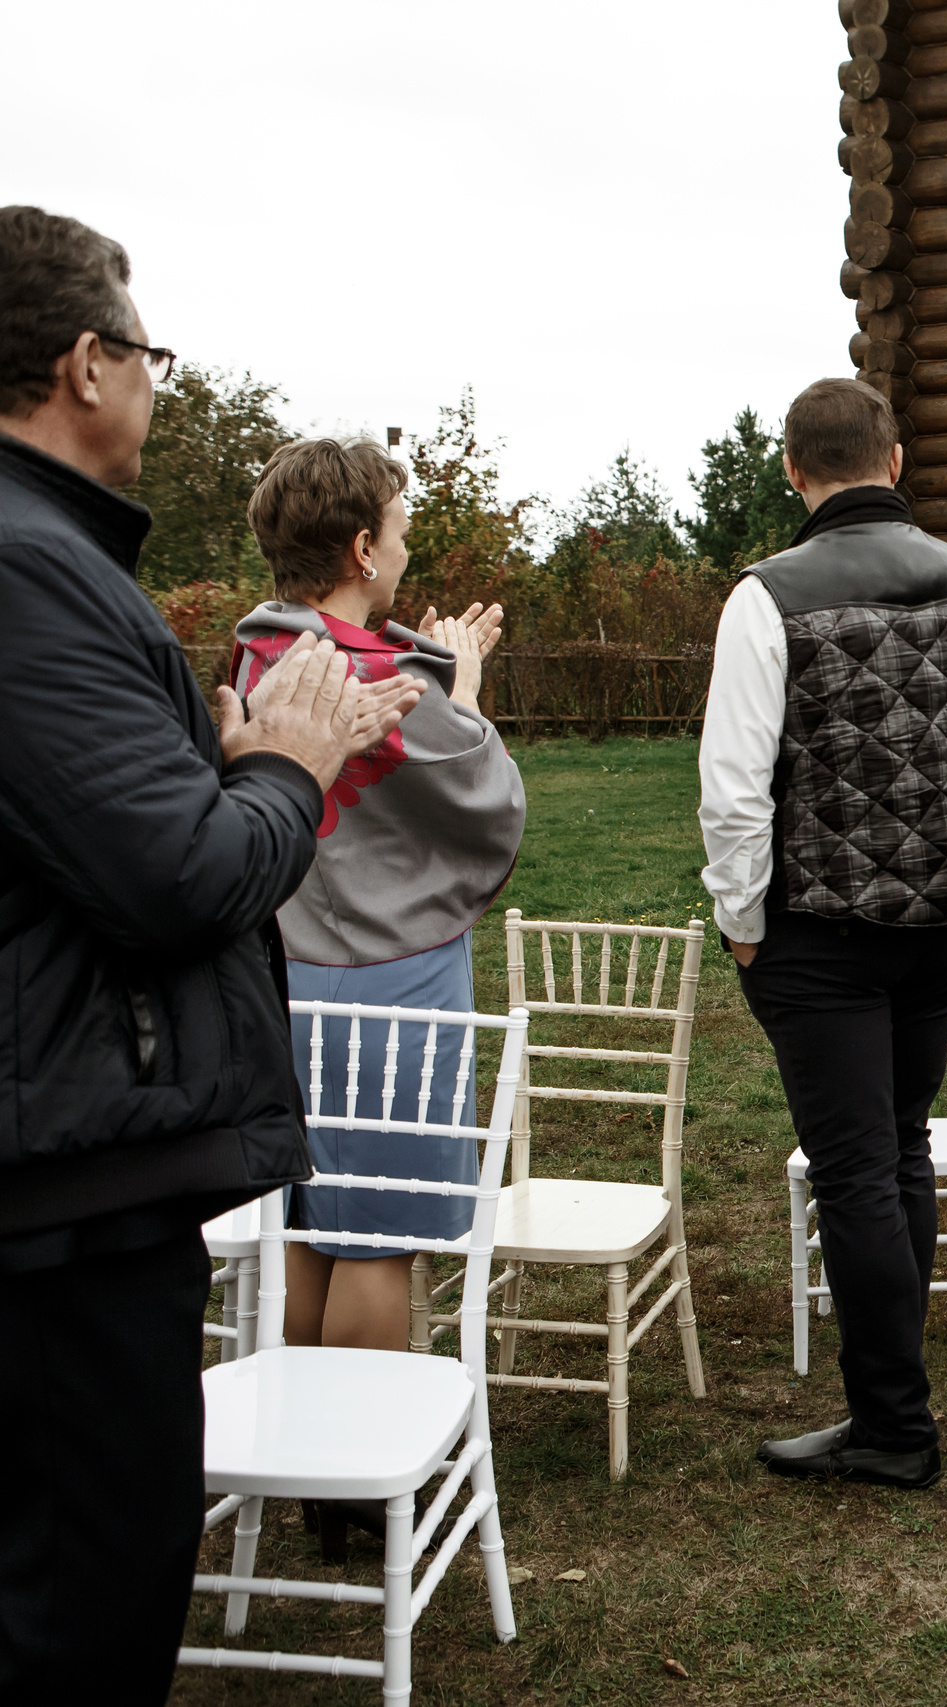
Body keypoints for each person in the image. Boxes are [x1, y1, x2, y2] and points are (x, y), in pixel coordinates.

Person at [0, 206, 415, 1702]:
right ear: (87, 363)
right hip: (63, 1192)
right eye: (150, 350)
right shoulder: (28, 568)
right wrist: (286, 766)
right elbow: (177, 878)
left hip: (60, 1143)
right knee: (84, 1604)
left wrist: (223, 770)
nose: (158, 382)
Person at [699, 377, 947, 1490]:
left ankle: (892, 1426)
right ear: (895, 461)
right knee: (899, 1146)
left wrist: (743, 924)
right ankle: (893, 1407)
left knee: (856, 1169)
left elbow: (734, 790)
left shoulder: (766, 596)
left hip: (824, 927)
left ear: (794, 471)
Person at [233, 438, 523, 1367]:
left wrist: (435, 667)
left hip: (285, 972)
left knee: (315, 1225)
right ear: (362, 549)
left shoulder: (265, 650)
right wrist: (463, 687)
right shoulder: (382, 680)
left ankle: (306, 1454)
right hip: (388, 983)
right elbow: (479, 788)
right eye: (398, 532)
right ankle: (352, 1461)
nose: (403, 551)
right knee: (380, 1233)